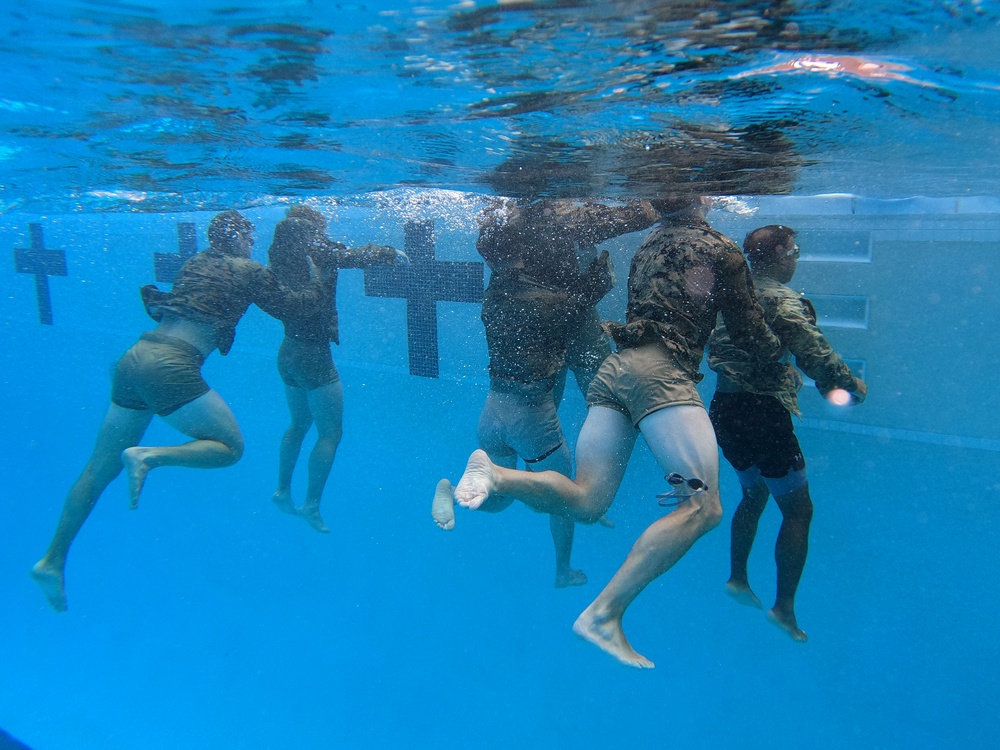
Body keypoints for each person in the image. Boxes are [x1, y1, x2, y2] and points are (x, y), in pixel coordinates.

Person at [451, 195, 783, 668]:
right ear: (702, 198)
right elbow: (749, 331)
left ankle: (500, 478)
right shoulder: (720, 247)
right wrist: (783, 363)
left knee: (586, 502)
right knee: (704, 507)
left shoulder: (648, 246)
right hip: (660, 374)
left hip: (616, 371)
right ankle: (605, 615)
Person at [30, 210, 321, 611]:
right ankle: (149, 457)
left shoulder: (196, 261)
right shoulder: (248, 268)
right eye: (250, 237)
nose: (252, 244)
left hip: (135, 357)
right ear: (240, 238)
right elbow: (297, 308)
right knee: (229, 448)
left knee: (98, 469)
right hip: (171, 365)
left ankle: (52, 559)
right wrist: (317, 273)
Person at [432, 196, 660, 589]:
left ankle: (460, 487)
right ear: (523, 249)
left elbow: (555, 307)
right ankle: (562, 569)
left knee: (494, 504)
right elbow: (567, 307)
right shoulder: (551, 299)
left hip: (493, 411)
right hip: (531, 420)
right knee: (568, 499)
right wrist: (596, 283)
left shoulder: (496, 294)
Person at [707, 224, 867, 642]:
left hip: (724, 409)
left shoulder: (730, 293)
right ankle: (784, 609)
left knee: (753, 494)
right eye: (794, 251)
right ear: (779, 254)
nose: (796, 258)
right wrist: (850, 384)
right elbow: (812, 349)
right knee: (799, 511)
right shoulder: (780, 299)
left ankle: (737, 578)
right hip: (763, 413)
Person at [267, 206, 407, 533]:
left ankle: (282, 490)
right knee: (331, 433)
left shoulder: (280, 255)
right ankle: (312, 504)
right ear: (313, 226)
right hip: (314, 355)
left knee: (298, 423)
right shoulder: (316, 249)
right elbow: (349, 256)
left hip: (287, 350)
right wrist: (387, 253)